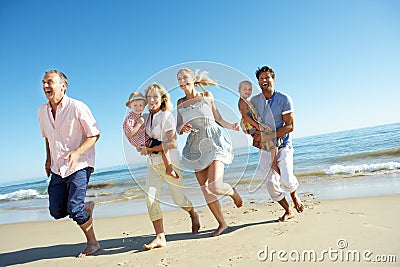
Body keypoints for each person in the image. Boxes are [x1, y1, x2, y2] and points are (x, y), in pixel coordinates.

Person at [37, 70, 101, 257]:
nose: (45, 86)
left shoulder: (77, 107)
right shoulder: (42, 111)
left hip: (80, 163)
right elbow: (48, 138)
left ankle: (93, 243)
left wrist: (77, 152)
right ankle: (86, 208)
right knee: (56, 211)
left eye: (50, 82)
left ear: (63, 85)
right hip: (58, 167)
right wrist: (48, 159)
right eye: (43, 82)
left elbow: (94, 134)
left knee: (74, 208)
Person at [176, 68, 243, 237]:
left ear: (192, 79)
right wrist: (181, 128)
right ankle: (222, 224)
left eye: (184, 78)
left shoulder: (206, 96)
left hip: (213, 140)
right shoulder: (180, 103)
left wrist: (231, 126)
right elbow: (178, 127)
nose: (182, 81)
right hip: (195, 146)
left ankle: (232, 192)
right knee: (205, 189)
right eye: (179, 79)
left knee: (215, 186)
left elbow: (218, 118)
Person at [138, 83, 200, 250]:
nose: (152, 100)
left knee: (178, 199)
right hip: (153, 165)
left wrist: (150, 148)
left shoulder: (166, 116)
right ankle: (160, 236)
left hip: (171, 164)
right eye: (149, 97)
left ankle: (193, 213)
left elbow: (172, 143)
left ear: (162, 98)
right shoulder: (146, 117)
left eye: (155, 97)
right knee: (150, 199)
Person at [250, 66, 304, 222]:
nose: (264, 80)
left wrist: (268, 135)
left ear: (273, 79)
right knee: (271, 184)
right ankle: (288, 210)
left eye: (267, 77)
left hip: (283, 145)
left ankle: (294, 196)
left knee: (286, 178)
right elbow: (250, 124)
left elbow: (290, 126)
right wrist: (255, 136)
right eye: (261, 78)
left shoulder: (284, 99)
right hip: (265, 148)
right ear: (258, 82)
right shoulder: (254, 101)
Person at [123, 91, 179, 179]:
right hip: (143, 141)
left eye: (140, 105)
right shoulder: (131, 119)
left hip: (143, 141)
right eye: (135, 105)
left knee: (161, 148)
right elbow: (129, 134)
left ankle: (167, 167)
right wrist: (139, 124)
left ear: (144, 106)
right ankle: (169, 168)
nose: (138, 108)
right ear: (130, 106)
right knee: (164, 146)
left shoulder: (140, 116)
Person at [237, 80, 280, 175]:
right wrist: (258, 125)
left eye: (249, 89)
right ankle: (273, 163)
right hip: (252, 126)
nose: (247, 91)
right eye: (244, 89)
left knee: (271, 140)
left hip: (254, 125)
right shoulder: (242, 102)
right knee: (272, 139)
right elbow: (245, 116)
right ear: (239, 90)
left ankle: (273, 162)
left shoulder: (246, 101)